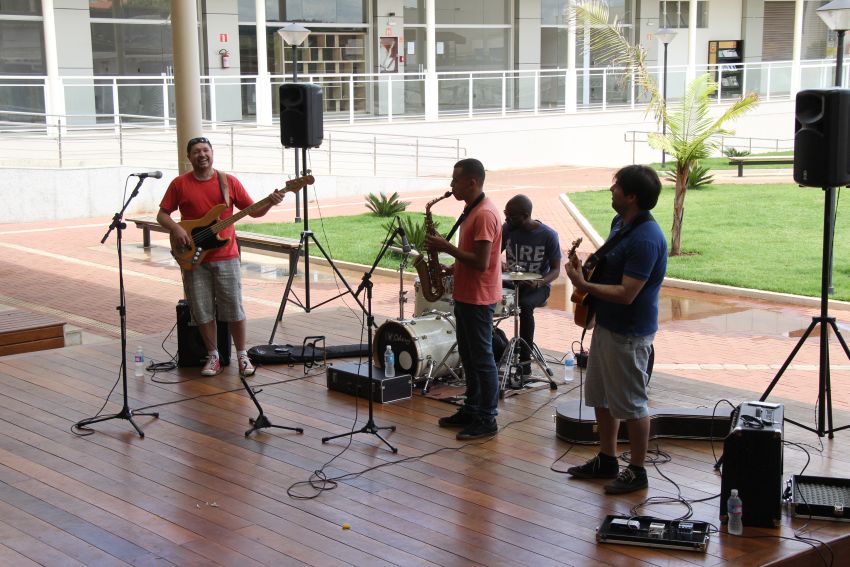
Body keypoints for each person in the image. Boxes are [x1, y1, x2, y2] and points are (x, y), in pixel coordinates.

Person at [564, 164, 667, 494]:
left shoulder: (646, 239)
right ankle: (607, 459)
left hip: (629, 333)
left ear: (632, 196)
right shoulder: (620, 224)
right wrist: (586, 274)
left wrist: (584, 286)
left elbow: (627, 293)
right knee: (602, 396)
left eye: (617, 186)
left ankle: (637, 470)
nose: (612, 190)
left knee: (632, 404)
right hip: (607, 325)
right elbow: (610, 272)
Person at [157, 136, 285, 377]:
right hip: (194, 258)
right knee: (201, 309)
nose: (202, 155)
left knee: (233, 307)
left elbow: (254, 212)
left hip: (226, 256)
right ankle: (213, 355)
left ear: (212, 153)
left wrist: (270, 202)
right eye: (196, 151)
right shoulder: (179, 184)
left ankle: (242, 355)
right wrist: (177, 229)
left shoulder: (228, 182)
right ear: (188, 157)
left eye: (205, 150)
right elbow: (162, 215)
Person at [426, 158, 503, 440]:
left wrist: (446, 247)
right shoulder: (472, 210)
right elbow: (473, 257)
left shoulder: (484, 214)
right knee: (469, 357)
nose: (451, 185)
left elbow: (482, 262)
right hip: (467, 294)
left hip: (479, 298)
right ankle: (472, 409)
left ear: (472, 182)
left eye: (455, 180)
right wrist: (453, 267)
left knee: (482, 359)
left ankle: (487, 417)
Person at [501, 194, 561, 374]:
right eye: (506, 215)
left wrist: (539, 282)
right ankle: (494, 347)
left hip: (538, 286)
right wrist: (498, 264)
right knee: (485, 296)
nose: (507, 220)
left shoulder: (548, 235)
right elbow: (492, 253)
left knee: (525, 306)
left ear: (526, 215)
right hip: (512, 281)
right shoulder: (507, 229)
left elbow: (555, 270)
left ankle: (524, 361)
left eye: (511, 216)